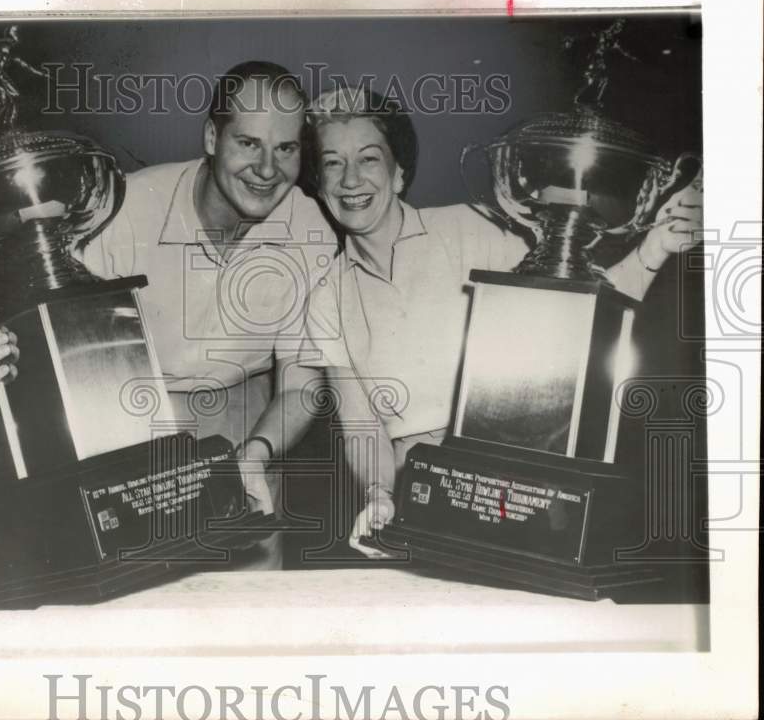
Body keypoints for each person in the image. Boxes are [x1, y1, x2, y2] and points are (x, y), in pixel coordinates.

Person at [296, 85, 705, 558]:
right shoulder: (327, 296)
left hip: (521, 489)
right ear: (318, 183)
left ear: (399, 171)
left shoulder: (471, 228)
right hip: (422, 502)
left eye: (368, 158)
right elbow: (361, 428)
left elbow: (579, 323)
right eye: (332, 162)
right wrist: (378, 497)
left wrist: (654, 247)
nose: (350, 179)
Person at [0, 61, 338, 569]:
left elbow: (299, 387)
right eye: (248, 143)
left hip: (252, 426)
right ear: (212, 136)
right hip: (133, 419)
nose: (267, 168)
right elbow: (57, 327)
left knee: (251, 606)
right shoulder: (126, 205)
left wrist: (255, 456)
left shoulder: (311, 228)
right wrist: (8, 346)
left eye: (286, 148)